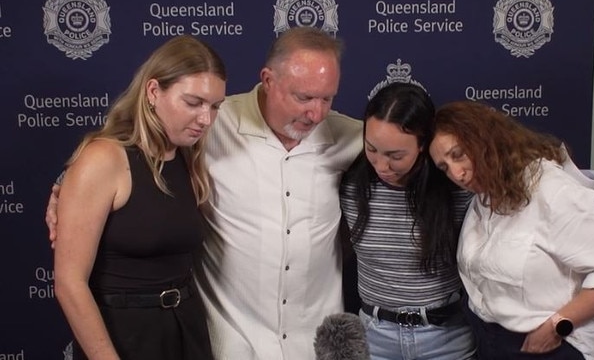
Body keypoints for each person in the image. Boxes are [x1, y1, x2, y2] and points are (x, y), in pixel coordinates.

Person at [48, 27, 363, 359]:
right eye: (303, 97)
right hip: (222, 340)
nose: (316, 112)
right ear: (268, 80)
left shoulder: (353, 138)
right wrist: (66, 190)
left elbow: (406, 146)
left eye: (327, 98)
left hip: (294, 342)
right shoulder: (210, 126)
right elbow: (124, 154)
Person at [52, 35, 227, 359]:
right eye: (193, 103)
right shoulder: (105, 158)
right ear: (153, 92)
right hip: (124, 335)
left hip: (187, 331)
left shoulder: (189, 157)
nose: (206, 119)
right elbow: (68, 282)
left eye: (215, 106)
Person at [428, 100, 594, 360]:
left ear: (486, 140)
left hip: (552, 345)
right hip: (492, 343)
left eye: (458, 154)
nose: (457, 174)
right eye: (444, 167)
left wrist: (557, 326)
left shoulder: (554, 192)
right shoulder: (482, 200)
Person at [339, 83, 476, 360]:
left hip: (446, 338)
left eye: (395, 156)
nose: (380, 165)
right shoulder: (351, 185)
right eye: (372, 149)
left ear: (423, 145)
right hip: (374, 337)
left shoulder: (457, 189)